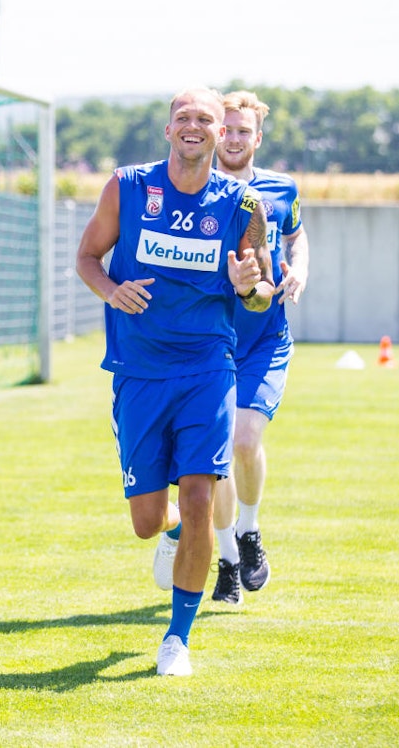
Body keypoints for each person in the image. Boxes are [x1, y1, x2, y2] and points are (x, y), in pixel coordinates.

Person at [75, 87, 274, 676]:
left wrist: (248, 286)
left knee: (199, 497)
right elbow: (87, 257)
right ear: (168, 130)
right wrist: (111, 290)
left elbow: (262, 295)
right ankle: (177, 532)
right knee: (147, 521)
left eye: (204, 119)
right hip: (139, 371)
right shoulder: (127, 187)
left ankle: (177, 640)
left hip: (209, 368)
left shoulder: (244, 205)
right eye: (183, 117)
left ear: (220, 132)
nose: (193, 126)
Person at [209, 90, 310, 604]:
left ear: (258, 138)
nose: (233, 138)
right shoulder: (194, 191)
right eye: (225, 129)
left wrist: (300, 270)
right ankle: (227, 560)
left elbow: (296, 236)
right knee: (215, 457)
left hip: (265, 340)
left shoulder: (281, 188)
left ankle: (249, 531)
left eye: (243, 131)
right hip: (209, 342)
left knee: (245, 440)